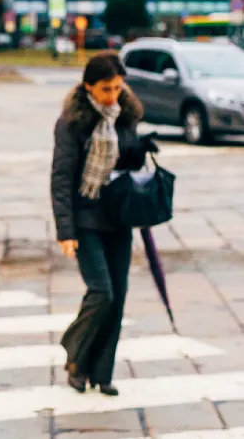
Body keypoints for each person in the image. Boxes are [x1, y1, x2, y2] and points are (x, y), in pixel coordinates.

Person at [51, 52, 154, 397]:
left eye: (118, 87)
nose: (113, 95)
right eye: (106, 89)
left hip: (117, 217)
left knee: (119, 296)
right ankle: (77, 357)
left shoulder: (125, 116)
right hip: (84, 219)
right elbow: (62, 178)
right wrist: (65, 230)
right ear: (88, 86)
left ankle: (102, 371)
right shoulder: (71, 122)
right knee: (102, 292)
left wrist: (141, 149)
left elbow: (127, 161)